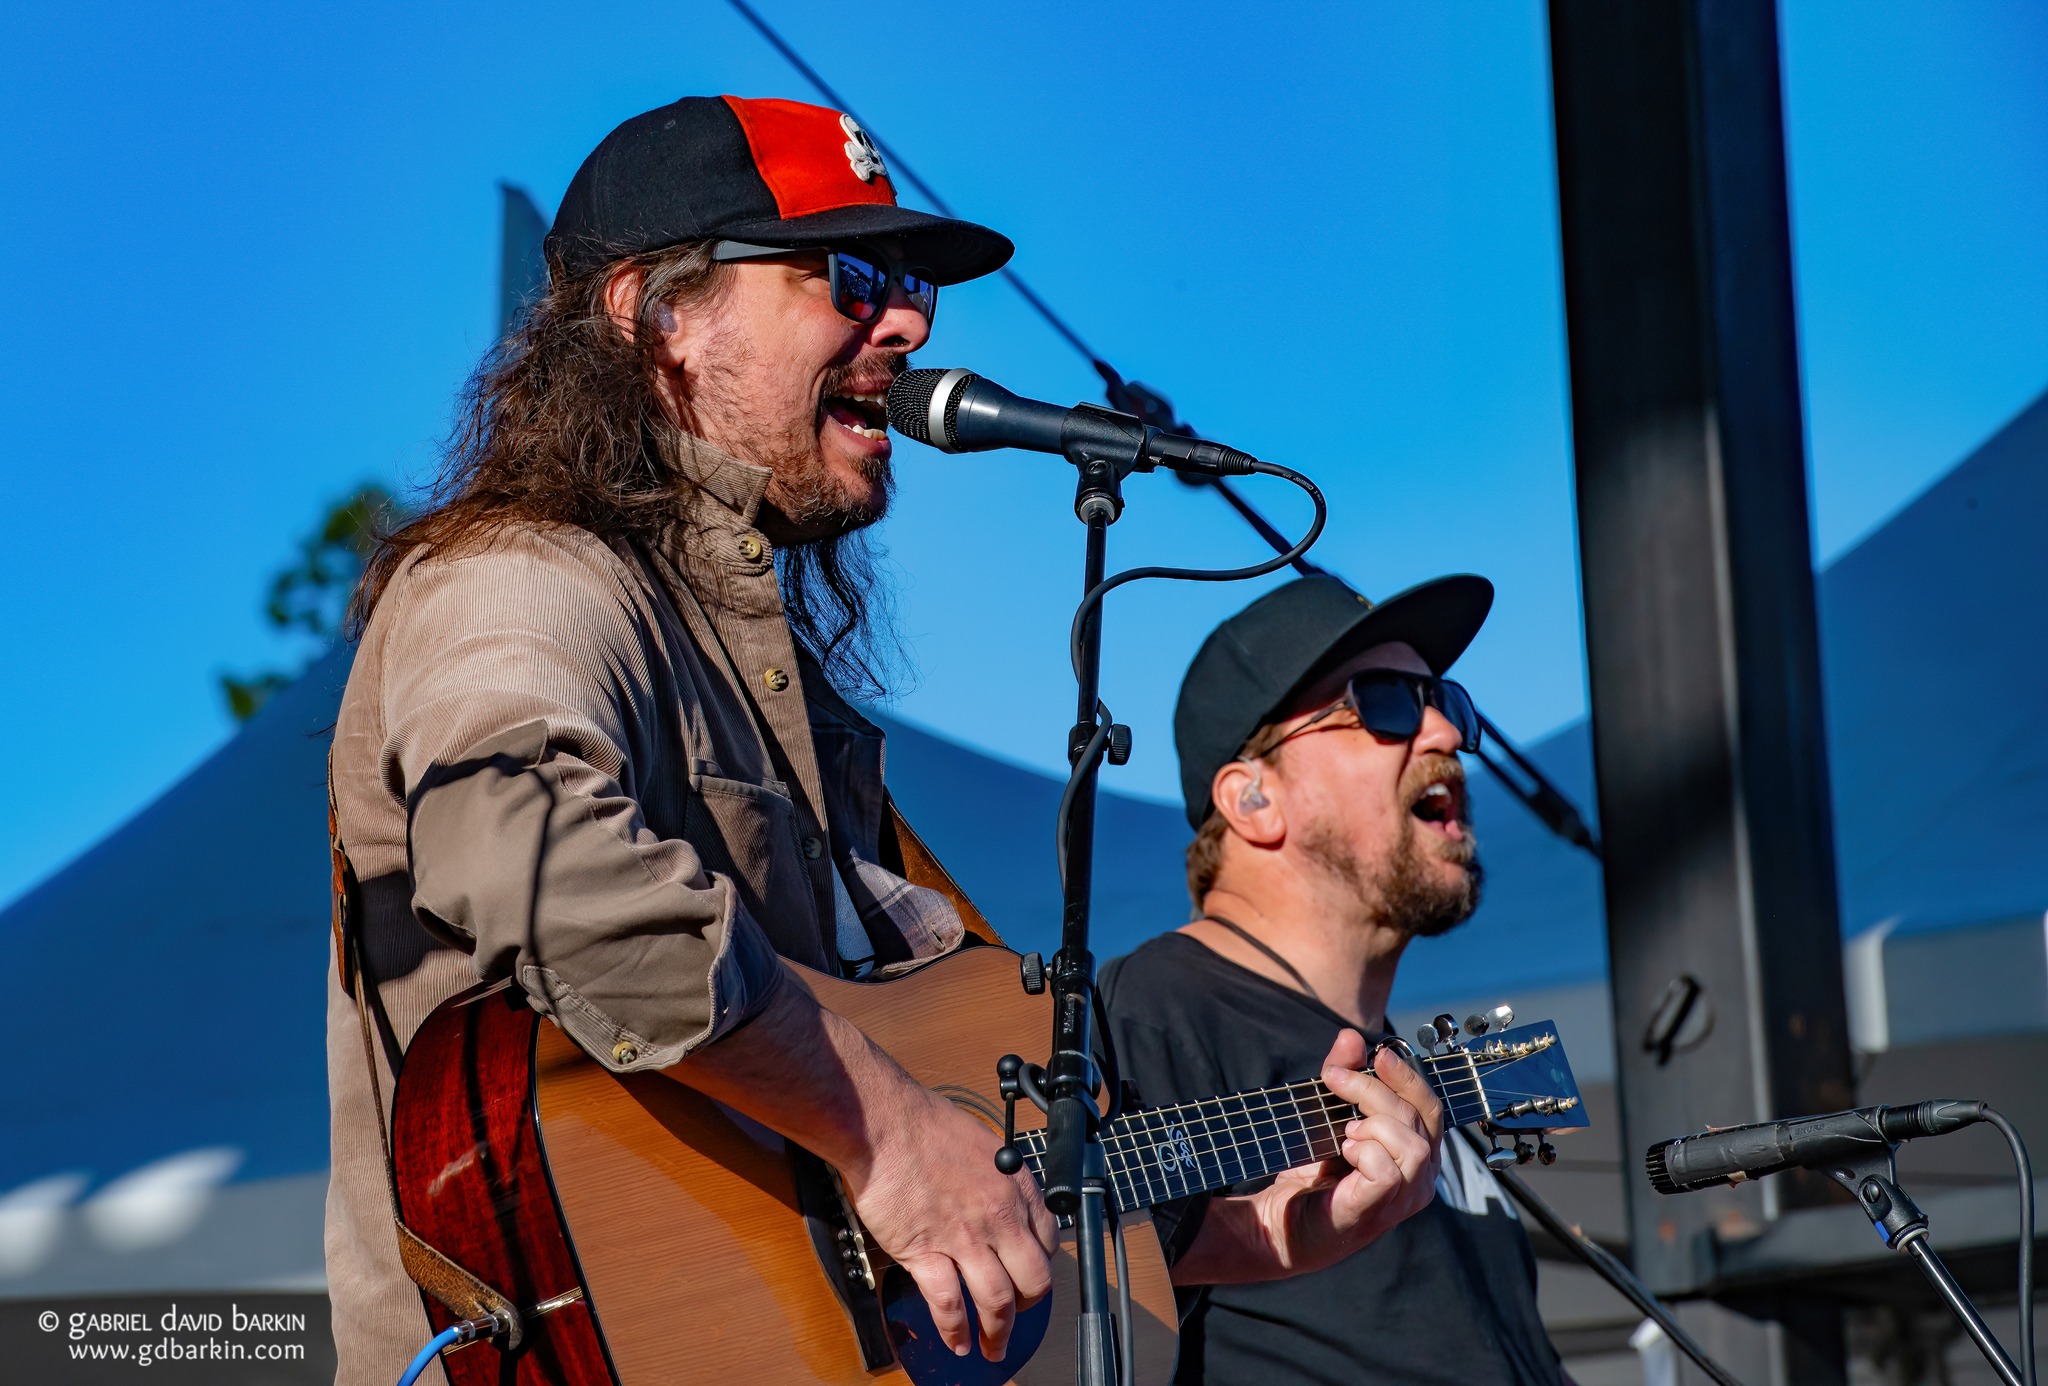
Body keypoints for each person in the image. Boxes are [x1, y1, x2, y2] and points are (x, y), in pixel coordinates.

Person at [325, 96, 1446, 1384]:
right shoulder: (520, 580)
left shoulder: (771, 676)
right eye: (849, 276)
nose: (906, 323)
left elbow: (891, 1168)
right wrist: (888, 1132)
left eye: (911, 286)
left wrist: (1250, 1234)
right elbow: (534, 857)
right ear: (653, 315)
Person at [1101, 574, 1571, 1386]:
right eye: (1383, 702)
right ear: (1252, 798)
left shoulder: (1427, 1074)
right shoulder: (1148, 1016)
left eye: (1445, 703)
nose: (1444, 735)